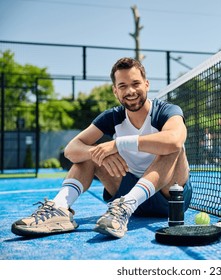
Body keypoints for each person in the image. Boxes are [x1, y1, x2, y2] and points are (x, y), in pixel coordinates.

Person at [11, 57, 192, 239]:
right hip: (125, 191)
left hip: (170, 197)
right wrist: (98, 153)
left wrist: (117, 144)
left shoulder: (166, 111)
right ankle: (59, 208)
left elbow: (175, 140)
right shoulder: (112, 117)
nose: (130, 91)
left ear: (146, 84)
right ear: (115, 91)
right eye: (122, 86)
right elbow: (71, 149)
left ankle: (127, 204)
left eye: (135, 83)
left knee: (173, 147)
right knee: (89, 153)